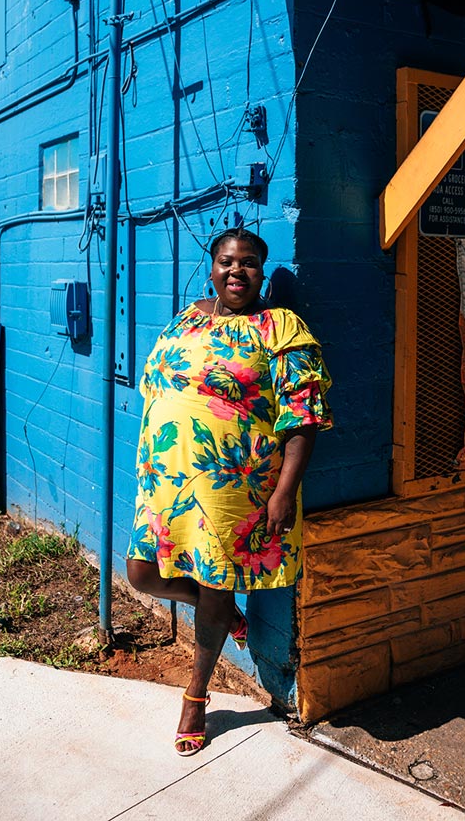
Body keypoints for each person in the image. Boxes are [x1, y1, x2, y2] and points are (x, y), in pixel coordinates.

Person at [126, 226, 332, 755]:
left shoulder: (278, 325)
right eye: (226, 261)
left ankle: (195, 698)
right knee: (142, 573)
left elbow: (303, 419)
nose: (236, 271)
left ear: (261, 272)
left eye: (248, 263)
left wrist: (283, 494)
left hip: (231, 488)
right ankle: (225, 614)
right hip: (166, 482)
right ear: (212, 268)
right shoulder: (189, 317)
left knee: (216, 583)